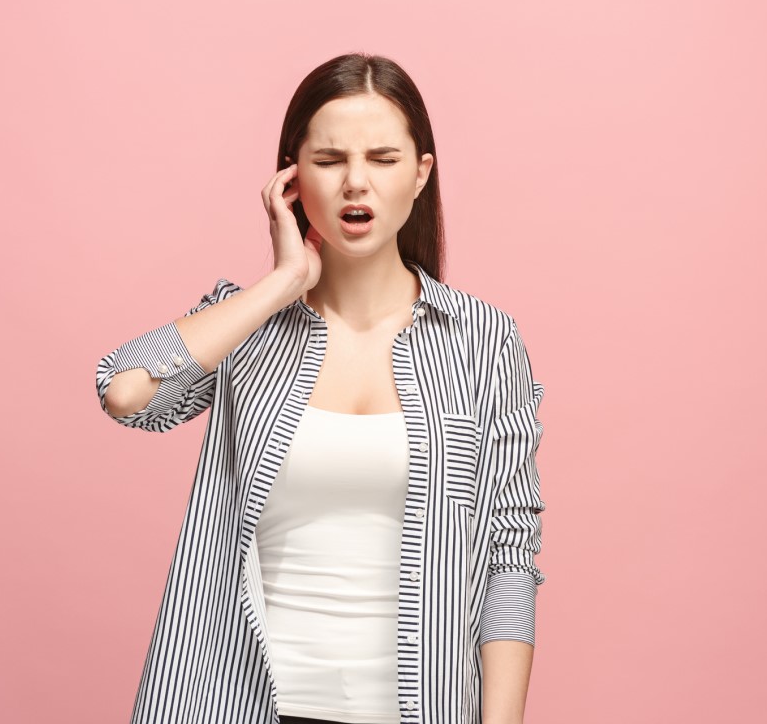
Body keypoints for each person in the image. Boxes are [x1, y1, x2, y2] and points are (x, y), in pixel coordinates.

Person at [96, 52, 547, 724]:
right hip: (238, 706)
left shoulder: (484, 341)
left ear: (421, 174)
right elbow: (126, 393)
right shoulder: (245, 324)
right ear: (291, 177)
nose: (356, 183)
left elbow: (510, 557)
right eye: (330, 160)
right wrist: (280, 284)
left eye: (384, 159)